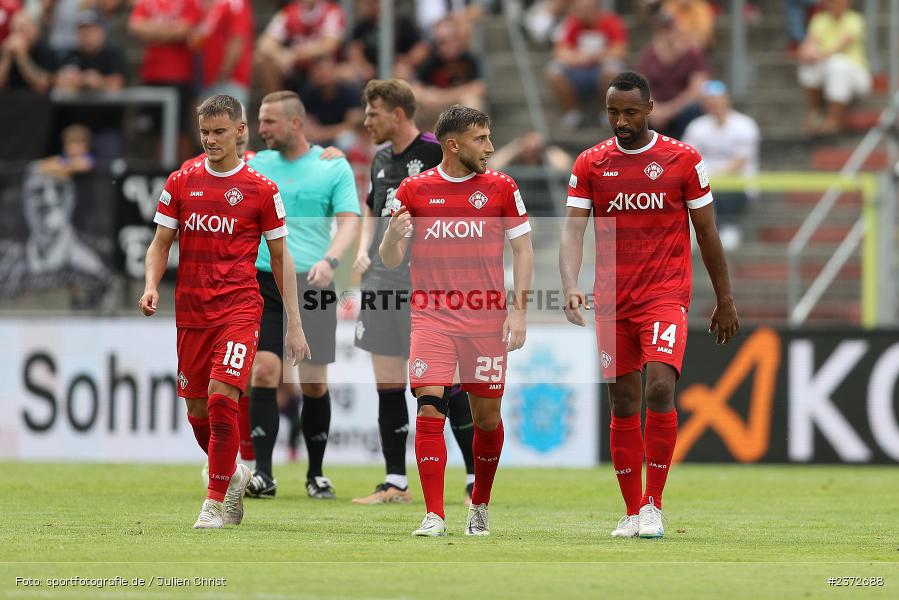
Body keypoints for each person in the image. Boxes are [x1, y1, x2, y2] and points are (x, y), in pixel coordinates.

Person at [559, 71, 739, 539]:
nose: (621, 120)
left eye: (630, 112)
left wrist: (725, 298)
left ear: (651, 107)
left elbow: (707, 232)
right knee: (622, 401)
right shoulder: (590, 163)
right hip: (611, 301)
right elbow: (574, 230)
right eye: (613, 111)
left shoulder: (682, 159)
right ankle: (631, 509)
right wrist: (569, 283)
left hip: (664, 294)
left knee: (659, 388)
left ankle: (654, 505)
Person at [139, 94, 310, 529]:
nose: (211, 140)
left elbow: (283, 259)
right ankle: (233, 474)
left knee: (221, 399)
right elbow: (160, 245)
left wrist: (294, 321)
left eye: (219, 132)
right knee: (198, 412)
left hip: (239, 308)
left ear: (239, 131)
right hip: (192, 312)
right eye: (204, 132)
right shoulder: (182, 181)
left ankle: (213, 504)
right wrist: (151, 285)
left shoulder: (261, 190)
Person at [380, 104, 534, 537]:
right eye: (481, 139)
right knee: (430, 406)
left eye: (488, 137)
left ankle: (479, 503)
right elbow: (390, 259)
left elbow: (523, 250)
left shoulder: (502, 187)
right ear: (453, 144)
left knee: (486, 418)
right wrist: (392, 236)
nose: (490, 146)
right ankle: (433, 515)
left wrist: (518, 310)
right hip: (431, 317)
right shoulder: (414, 190)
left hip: (486, 320)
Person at [351, 79, 477, 506]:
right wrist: (364, 251)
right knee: (388, 384)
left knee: (446, 385)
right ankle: (394, 483)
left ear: (397, 114)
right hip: (381, 284)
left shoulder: (434, 153)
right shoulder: (381, 159)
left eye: (373, 113)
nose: (366, 121)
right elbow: (373, 209)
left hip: (427, 287)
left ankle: (474, 477)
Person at [246, 90, 360, 500]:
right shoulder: (255, 165)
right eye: (259, 122)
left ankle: (315, 472)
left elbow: (349, 222)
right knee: (263, 371)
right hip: (264, 280)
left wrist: (331, 260)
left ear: (295, 123)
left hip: (314, 284)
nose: (260, 130)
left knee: (313, 382)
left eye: (269, 122)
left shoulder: (331, 166)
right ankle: (262, 473)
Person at [683, 80, 761, 251]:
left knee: (726, 189)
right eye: (710, 101)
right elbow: (686, 158)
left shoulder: (745, 125)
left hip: (735, 184)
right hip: (706, 183)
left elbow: (741, 161)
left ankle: (728, 225)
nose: (714, 105)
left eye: (717, 100)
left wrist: (711, 175)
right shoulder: (697, 127)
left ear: (727, 100)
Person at [545, 0, 628, 128]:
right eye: (578, 8)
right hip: (577, 72)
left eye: (583, 8)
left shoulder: (610, 21)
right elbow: (560, 51)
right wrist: (578, 57)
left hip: (601, 71)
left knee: (613, 69)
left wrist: (596, 56)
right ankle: (572, 114)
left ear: (595, 8)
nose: (579, 12)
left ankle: (607, 112)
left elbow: (620, 50)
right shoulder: (572, 22)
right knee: (553, 70)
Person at [797, 0, 870, 135]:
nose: (833, 4)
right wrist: (807, 53)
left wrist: (818, 54)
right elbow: (808, 45)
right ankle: (814, 114)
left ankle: (833, 120)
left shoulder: (855, 19)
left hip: (856, 74)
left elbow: (840, 47)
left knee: (838, 63)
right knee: (810, 64)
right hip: (828, 69)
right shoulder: (819, 20)